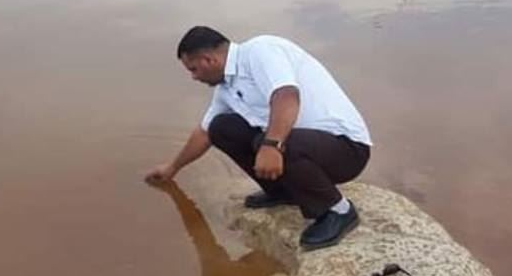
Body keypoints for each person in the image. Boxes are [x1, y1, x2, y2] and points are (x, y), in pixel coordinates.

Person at [144, 26, 372, 251]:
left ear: (208, 60)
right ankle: (283, 191)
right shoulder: (226, 89)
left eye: (193, 69)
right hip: (305, 147)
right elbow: (204, 133)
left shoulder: (261, 51)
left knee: (269, 141)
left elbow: (286, 96)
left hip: (347, 149)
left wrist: (272, 146)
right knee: (222, 127)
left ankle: (338, 210)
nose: (193, 77)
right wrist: (172, 168)